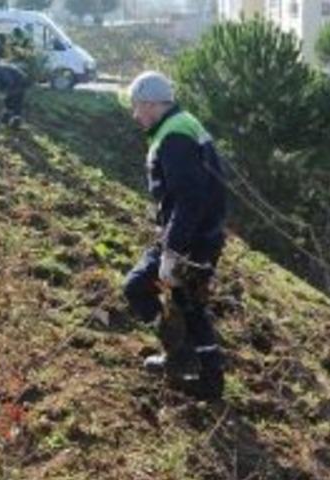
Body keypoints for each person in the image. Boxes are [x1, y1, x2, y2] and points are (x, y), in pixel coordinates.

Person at [122, 71, 228, 400]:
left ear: (151, 103)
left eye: (137, 107)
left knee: (137, 287)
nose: (135, 115)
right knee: (188, 304)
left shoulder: (174, 136)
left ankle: (181, 357)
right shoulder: (183, 124)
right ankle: (207, 377)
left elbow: (189, 199)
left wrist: (172, 251)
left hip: (190, 239)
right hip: (202, 234)